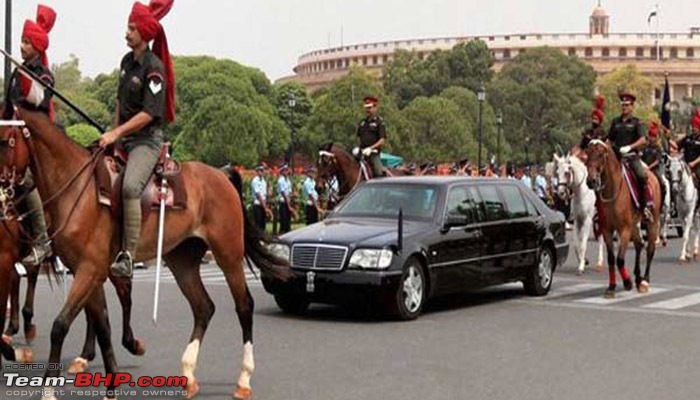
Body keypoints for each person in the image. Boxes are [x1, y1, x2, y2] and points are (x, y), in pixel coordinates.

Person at [98, 0, 176, 277]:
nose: (126, 33)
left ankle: (128, 257)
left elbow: (147, 114)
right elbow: (121, 104)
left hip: (146, 141)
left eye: (131, 28)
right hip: (123, 139)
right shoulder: (125, 62)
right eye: (127, 27)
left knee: (130, 186)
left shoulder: (153, 67)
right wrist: (109, 135)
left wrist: (118, 133)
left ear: (143, 32)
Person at [2, 4, 57, 267]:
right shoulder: (17, 71)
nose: (21, 46)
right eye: (21, 41)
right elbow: (8, 107)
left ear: (37, 45)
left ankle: (43, 239)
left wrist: (26, 78)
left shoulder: (44, 75)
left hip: (35, 141)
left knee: (24, 179)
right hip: (12, 137)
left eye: (26, 42)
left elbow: (38, 100)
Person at [607, 92, 651, 220]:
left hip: (631, 157)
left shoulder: (638, 123)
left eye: (627, 105)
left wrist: (630, 147)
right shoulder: (615, 122)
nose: (624, 107)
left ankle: (644, 207)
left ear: (632, 107)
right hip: (616, 158)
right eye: (623, 105)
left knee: (642, 176)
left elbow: (643, 140)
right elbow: (609, 140)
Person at [356, 96, 386, 179]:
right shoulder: (362, 122)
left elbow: (382, 140)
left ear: (375, 107)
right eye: (366, 108)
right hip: (361, 153)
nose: (367, 110)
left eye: (369, 107)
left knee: (378, 172)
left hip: (373, 153)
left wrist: (370, 148)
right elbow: (359, 137)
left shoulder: (379, 122)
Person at [678, 110, 700, 187]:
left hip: (697, 166)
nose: (694, 128)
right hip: (686, 165)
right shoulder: (687, 138)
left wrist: (693, 163)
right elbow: (677, 146)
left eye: (696, 127)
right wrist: (667, 139)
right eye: (693, 126)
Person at [276, 164, 296, 234]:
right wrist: (289, 206)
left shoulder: (288, 180)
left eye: (287, 170)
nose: (287, 171)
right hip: (283, 203)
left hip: (288, 201)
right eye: (285, 170)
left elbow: (289, 192)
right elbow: (284, 194)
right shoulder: (281, 180)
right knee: (284, 221)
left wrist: (293, 195)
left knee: (288, 221)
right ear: (281, 171)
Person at [251, 165, 272, 232]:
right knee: (258, 224)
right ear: (257, 171)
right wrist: (265, 207)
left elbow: (266, 193)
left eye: (263, 170)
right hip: (258, 204)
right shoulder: (255, 181)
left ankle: (262, 238)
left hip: (263, 204)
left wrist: (269, 189)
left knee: (263, 224)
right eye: (260, 170)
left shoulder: (263, 181)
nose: (262, 172)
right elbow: (258, 195)